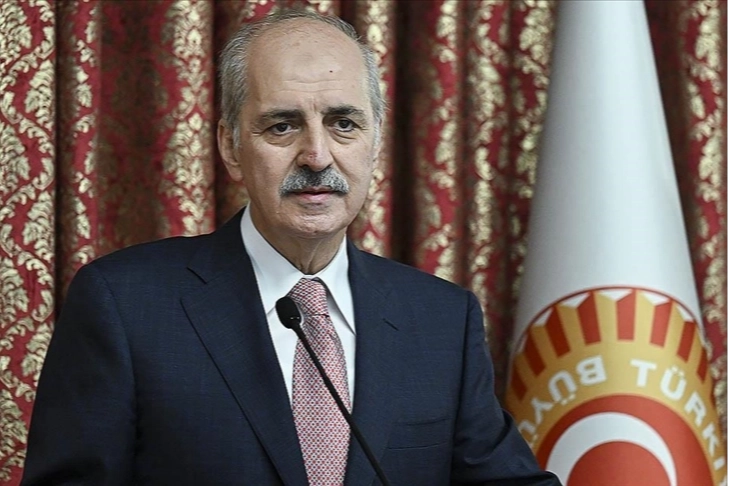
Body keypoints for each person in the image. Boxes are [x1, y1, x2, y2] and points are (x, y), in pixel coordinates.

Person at [22, 9, 561, 486]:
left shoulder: (442, 320)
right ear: (230, 147)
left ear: (375, 142)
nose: (317, 155)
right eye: (282, 126)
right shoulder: (125, 306)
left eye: (343, 123)